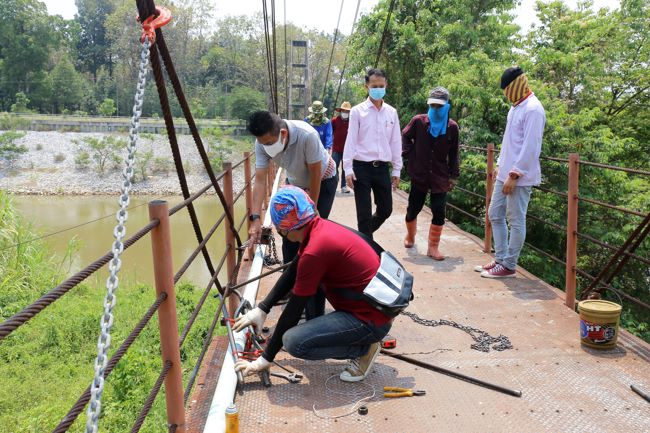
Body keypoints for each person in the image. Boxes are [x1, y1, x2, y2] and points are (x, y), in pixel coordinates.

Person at [233, 186, 392, 382]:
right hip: (373, 309)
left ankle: (364, 349)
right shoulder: (319, 227)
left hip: (370, 320)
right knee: (297, 328)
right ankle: (363, 340)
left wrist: (265, 358)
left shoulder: (315, 251)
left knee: (294, 342)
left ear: (284, 229)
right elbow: (293, 269)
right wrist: (262, 309)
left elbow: (294, 309)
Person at [247, 111, 337, 316]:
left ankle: (312, 295)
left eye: (270, 143)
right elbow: (260, 180)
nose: (267, 148)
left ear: (283, 133)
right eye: (263, 144)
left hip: (322, 180)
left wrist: (311, 214)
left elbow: (315, 175)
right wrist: (255, 219)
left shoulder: (307, 135)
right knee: (288, 236)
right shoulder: (262, 142)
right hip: (296, 183)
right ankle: (292, 288)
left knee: (311, 237)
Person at [476, 66, 546, 278]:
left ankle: (509, 265)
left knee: (516, 220)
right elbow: (510, 142)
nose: (506, 93)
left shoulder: (533, 109)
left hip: (519, 177)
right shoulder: (516, 107)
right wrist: (500, 164)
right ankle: (500, 259)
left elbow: (531, 146)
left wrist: (515, 174)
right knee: (495, 214)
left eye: (507, 88)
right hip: (505, 173)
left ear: (516, 84)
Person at [343, 68, 402, 239]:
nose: (378, 89)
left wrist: (397, 169)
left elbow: (395, 142)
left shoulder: (391, 112)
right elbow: (351, 140)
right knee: (364, 213)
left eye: (381, 85)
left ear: (386, 85)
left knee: (386, 209)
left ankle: (361, 237)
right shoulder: (357, 111)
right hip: (361, 167)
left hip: (382, 167)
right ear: (366, 87)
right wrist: (348, 169)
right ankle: (367, 247)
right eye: (374, 86)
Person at [402, 87, 459, 260]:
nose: (435, 109)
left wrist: (453, 175)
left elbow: (454, 153)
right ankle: (410, 235)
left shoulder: (452, 128)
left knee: (439, 211)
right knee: (413, 208)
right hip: (420, 173)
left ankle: (433, 247)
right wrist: (410, 154)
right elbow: (404, 136)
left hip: (440, 175)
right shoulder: (419, 122)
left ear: (447, 106)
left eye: (439, 106)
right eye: (432, 105)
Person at [331, 101, 352, 194]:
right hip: (336, 149)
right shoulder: (334, 121)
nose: (345, 113)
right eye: (344, 111)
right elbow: (330, 133)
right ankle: (334, 186)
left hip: (347, 150)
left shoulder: (352, 122)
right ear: (340, 111)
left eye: (347, 111)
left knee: (345, 168)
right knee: (334, 167)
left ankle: (344, 186)